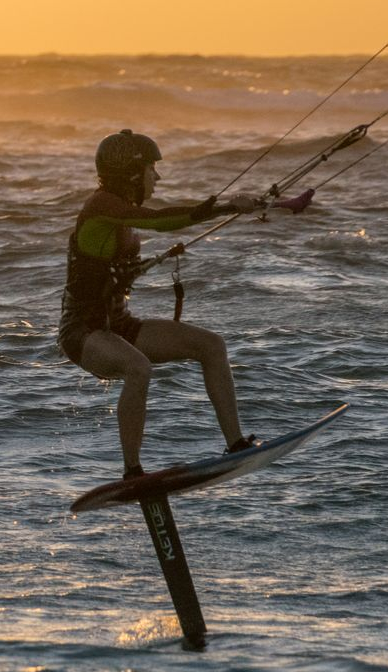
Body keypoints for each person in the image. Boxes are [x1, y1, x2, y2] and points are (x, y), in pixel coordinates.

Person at [58, 129, 259, 477]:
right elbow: (161, 221)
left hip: (119, 327)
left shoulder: (122, 214)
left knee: (211, 346)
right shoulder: (101, 206)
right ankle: (133, 472)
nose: (158, 177)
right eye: (152, 169)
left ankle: (236, 445)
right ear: (132, 174)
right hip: (84, 332)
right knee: (138, 367)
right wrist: (225, 207)